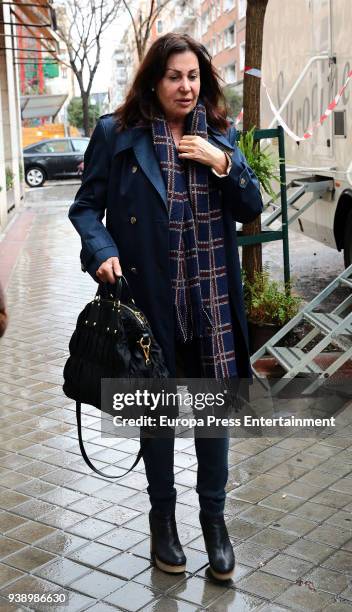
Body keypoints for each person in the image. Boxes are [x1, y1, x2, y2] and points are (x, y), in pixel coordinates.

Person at [69, 32, 263, 581]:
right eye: (175, 76)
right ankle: (164, 526)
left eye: (194, 76)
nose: (185, 86)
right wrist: (102, 251)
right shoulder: (117, 134)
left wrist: (222, 164)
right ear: (155, 80)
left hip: (210, 306)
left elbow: (251, 206)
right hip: (149, 303)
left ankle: (216, 528)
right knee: (156, 418)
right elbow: (85, 208)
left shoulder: (220, 134)